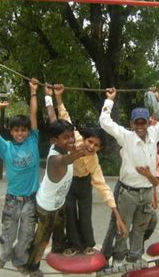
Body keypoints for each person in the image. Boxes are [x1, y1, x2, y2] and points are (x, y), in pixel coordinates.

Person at [99, 86, 159, 267]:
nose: (140, 126)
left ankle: (134, 257)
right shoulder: (126, 136)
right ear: (132, 124)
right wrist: (110, 100)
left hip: (147, 192)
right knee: (122, 227)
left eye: (143, 122)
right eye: (137, 123)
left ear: (148, 122)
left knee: (140, 228)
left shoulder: (154, 134)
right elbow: (104, 121)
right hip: (128, 192)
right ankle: (118, 258)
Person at [48, 84, 127, 257]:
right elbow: (64, 116)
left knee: (85, 215)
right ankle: (74, 245)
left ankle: (87, 244)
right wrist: (58, 96)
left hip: (84, 184)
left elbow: (103, 187)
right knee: (69, 213)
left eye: (97, 145)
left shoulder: (94, 162)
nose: (91, 146)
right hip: (68, 182)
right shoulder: (74, 138)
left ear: (99, 149)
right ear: (84, 138)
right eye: (90, 141)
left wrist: (117, 215)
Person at [26, 90, 86, 277]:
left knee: (60, 233)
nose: (71, 140)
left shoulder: (57, 140)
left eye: (71, 136)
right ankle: (32, 266)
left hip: (58, 204)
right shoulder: (57, 160)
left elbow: (52, 116)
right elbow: (68, 159)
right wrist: (78, 152)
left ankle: (60, 256)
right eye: (66, 138)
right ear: (54, 141)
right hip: (46, 208)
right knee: (42, 239)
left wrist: (48, 95)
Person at [0, 78, 40, 276]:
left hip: (31, 201)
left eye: (23, 130)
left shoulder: (33, 140)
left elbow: (33, 113)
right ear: (11, 131)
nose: (20, 133)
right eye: (16, 130)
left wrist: (33, 91)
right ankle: (3, 255)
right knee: (8, 236)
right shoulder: (5, 147)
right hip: (12, 201)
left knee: (26, 236)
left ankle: (18, 260)